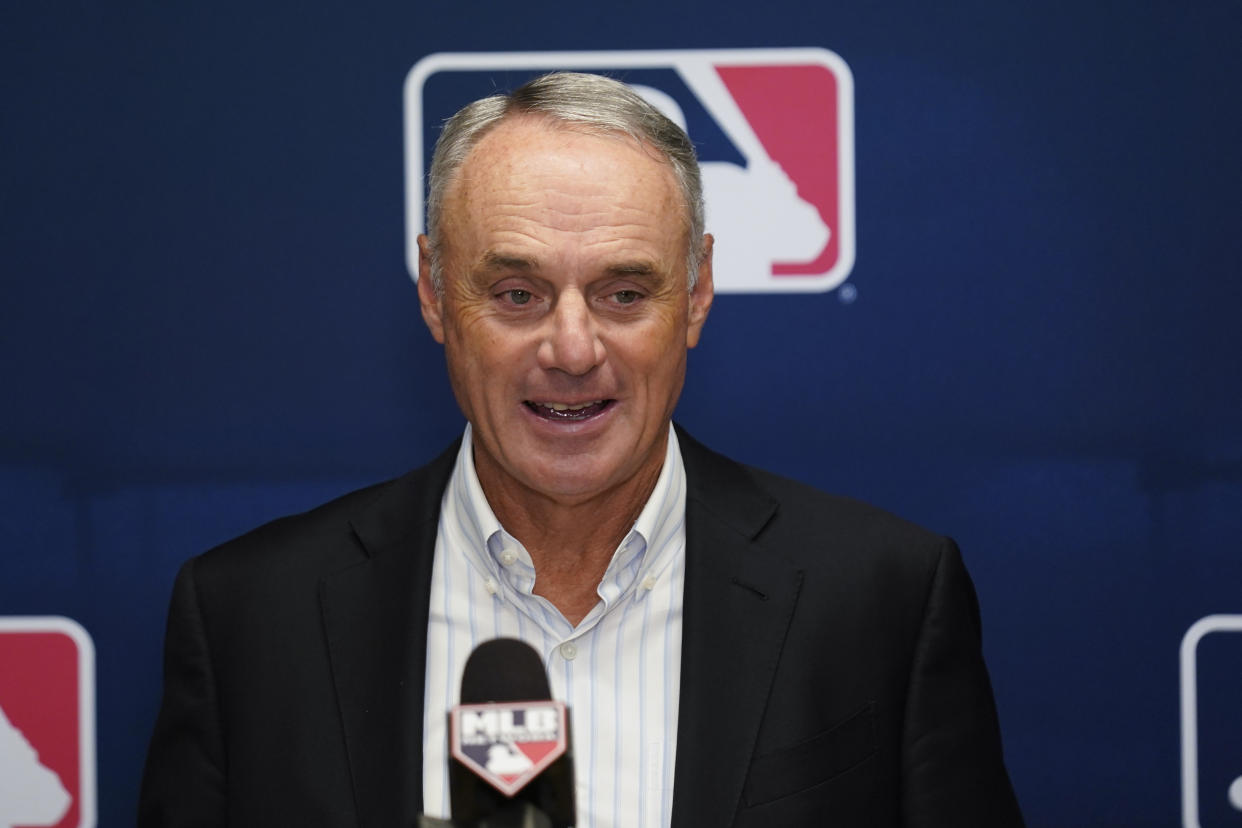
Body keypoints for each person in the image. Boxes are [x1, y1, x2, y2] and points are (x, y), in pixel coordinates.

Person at [139, 72, 1023, 827]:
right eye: (517, 293)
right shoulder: (250, 619)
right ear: (437, 294)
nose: (571, 349)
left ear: (699, 294)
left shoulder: (883, 600)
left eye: (624, 292)